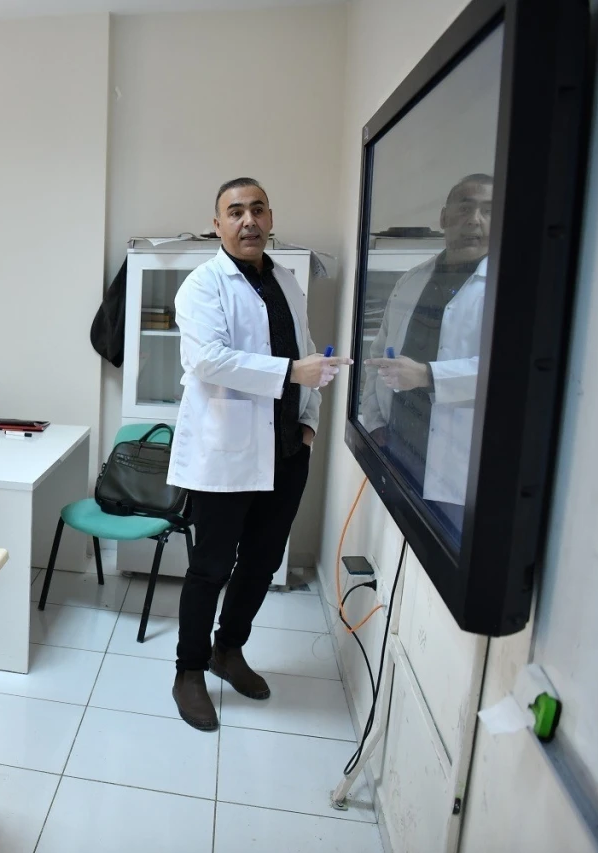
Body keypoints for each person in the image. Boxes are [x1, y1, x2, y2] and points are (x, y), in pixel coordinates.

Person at [167, 177, 351, 732]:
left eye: (258, 210)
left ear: (270, 218)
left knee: (262, 564)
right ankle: (189, 670)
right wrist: (292, 373)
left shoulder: (287, 281)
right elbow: (208, 361)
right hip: (226, 454)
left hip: (288, 451)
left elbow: (307, 352)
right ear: (217, 224)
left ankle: (228, 650)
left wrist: (309, 423)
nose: (248, 221)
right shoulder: (202, 286)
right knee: (209, 569)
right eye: (235, 212)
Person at [360, 174, 491, 539]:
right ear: (444, 217)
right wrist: (375, 422)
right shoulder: (412, 280)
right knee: (405, 541)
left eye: (488, 210)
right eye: (465, 208)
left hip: (458, 461)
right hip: (401, 446)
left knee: (449, 546)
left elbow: (509, 372)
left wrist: (428, 376)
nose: (474, 220)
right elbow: (376, 355)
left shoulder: (508, 289)